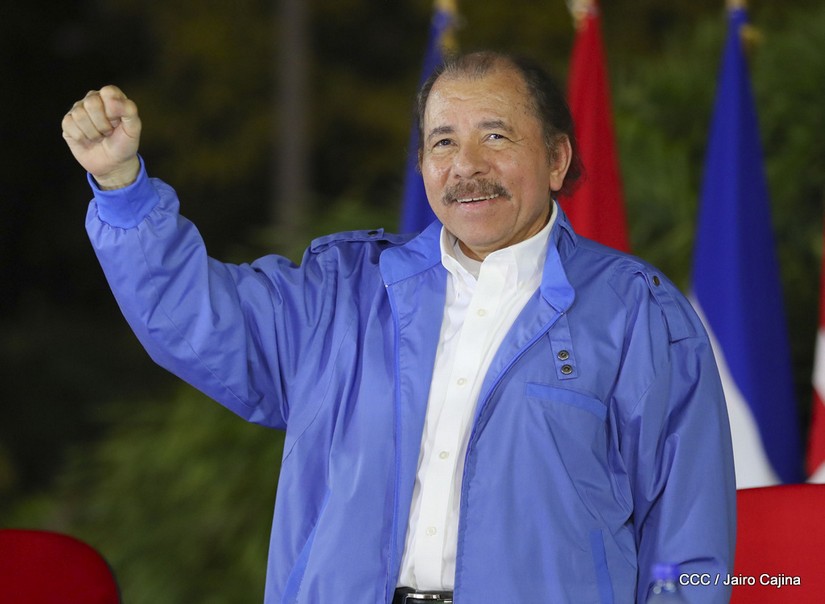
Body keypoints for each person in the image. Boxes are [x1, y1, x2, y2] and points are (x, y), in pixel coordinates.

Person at [62, 51, 736, 603]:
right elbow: (191, 317)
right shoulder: (341, 295)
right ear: (422, 165)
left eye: (495, 136)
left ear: (557, 159)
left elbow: (690, 551)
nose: (466, 165)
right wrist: (122, 187)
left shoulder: (638, 315)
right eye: (443, 142)